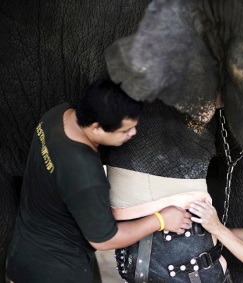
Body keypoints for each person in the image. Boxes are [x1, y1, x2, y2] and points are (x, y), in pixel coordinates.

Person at [6, 79, 192, 283]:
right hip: (59, 271)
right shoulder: (85, 174)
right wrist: (161, 219)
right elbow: (105, 240)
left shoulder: (56, 115)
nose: (133, 133)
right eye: (124, 130)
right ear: (96, 127)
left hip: (23, 254)